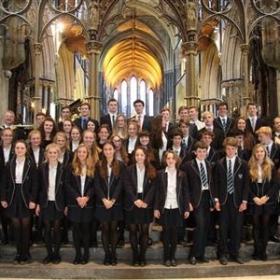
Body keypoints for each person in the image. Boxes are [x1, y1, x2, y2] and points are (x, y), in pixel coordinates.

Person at [0, 140, 38, 264]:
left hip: (26, 196)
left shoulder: (31, 164)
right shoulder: (9, 163)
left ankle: (26, 253)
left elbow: (35, 183)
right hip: (13, 196)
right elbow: (4, 182)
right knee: (16, 226)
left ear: (26, 149)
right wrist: (3, 198)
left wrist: (33, 200)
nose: (19, 150)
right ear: (14, 149)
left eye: (22, 148)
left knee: (26, 226)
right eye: (17, 148)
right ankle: (18, 253)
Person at [214, 137, 249, 265]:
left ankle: (235, 253)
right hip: (224, 200)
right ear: (225, 149)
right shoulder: (219, 163)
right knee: (223, 228)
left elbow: (246, 184)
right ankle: (223, 253)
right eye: (228, 149)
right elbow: (215, 183)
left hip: (238, 201)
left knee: (236, 228)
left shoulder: (243, 164)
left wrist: (244, 201)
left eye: (233, 149)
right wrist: (216, 200)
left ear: (236, 149)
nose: (230, 151)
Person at [154, 150, 190, 267]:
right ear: (165, 160)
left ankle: (173, 257)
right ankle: (166, 257)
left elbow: (185, 192)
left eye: (172, 158)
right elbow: (157, 192)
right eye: (168, 158)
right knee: (165, 232)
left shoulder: (182, 174)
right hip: (164, 207)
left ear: (176, 160)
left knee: (174, 232)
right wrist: (156, 208)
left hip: (176, 206)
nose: (170, 160)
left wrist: (186, 208)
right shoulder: (160, 174)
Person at [124, 146, 156, 266]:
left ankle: (142, 256)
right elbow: (126, 185)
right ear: (134, 157)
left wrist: (146, 201)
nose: (139, 157)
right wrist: (134, 200)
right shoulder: (129, 170)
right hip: (132, 202)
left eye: (142, 155)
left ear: (146, 156)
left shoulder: (151, 169)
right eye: (137, 155)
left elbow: (153, 187)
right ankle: (135, 256)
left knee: (144, 232)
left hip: (146, 203)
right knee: (132, 231)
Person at [95, 140, 125, 266]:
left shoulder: (120, 165)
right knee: (105, 228)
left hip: (115, 203)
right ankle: (107, 255)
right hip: (102, 203)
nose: (108, 151)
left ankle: (113, 254)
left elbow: (121, 184)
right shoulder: (98, 164)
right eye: (105, 149)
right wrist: (104, 199)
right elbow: (96, 185)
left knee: (114, 228)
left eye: (110, 149)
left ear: (114, 150)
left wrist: (112, 200)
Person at [184, 142, 214, 265]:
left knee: (206, 226)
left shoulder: (209, 165)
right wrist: (188, 202)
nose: (202, 153)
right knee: (200, 225)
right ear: (195, 152)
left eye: (204, 151)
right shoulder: (188, 165)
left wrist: (214, 200)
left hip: (207, 198)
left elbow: (212, 184)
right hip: (195, 199)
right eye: (199, 151)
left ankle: (201, 254)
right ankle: (193, 254)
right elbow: (185, 186)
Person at [36, 143, 66, 264]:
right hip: (46, 202)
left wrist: (67, 205)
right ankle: (49, 254)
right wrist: (38, 203)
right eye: (50, 153)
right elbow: (38, 187)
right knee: (47, 229)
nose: (53, 155)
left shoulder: (64, 168)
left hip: (59, 202)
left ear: (58, 154)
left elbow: (66, 188)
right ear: (46, 154)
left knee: (57, 229)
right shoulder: (42, 168)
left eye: (55, 153)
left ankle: (56, 254)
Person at [65, 144, 95, 265]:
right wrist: (77, 197)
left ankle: (86, 254)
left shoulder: (93, 167)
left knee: (86, 229)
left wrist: (86, 197)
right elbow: (67, 184)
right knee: (76, 229)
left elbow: (95, 185)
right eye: (79, 152)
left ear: (88, 154)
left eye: (84, 152)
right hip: (74, 203)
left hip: (88, 203)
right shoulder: (70, 167)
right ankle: (78, 254)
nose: (82, 154)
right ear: (76, 153)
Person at [248, 144, 279, 261]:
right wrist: (254, 198)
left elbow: (275, 184)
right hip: (254, 200)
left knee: (265, 227)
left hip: (267, 200)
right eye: (257, 152)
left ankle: (263, 252)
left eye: (261, 151)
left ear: (265, 153)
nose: (259, 154)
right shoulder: (249, 166)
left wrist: (266, 197)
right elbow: (247, 186)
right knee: (256, 226)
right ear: (254, 154)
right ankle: (256, 251)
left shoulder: (271, 166)